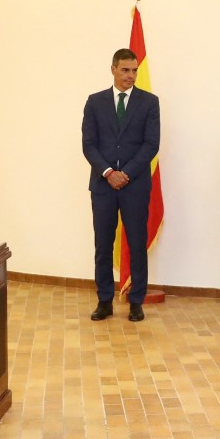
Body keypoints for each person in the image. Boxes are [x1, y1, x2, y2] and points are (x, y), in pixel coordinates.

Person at [82, 48, 161, 322]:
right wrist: (107, 172)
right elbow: (88, 144)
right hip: (103, 187)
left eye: (134, 70)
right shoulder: (95, 102)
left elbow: (151, 144)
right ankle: (104, 300)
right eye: (125, 70)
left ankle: (136, 301)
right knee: (103, 244)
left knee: (137, 244)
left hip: (135, 186)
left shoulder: (149, 102)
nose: (131, 75)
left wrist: (125, 173)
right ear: (113, 69)